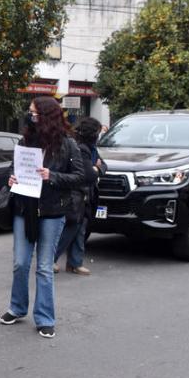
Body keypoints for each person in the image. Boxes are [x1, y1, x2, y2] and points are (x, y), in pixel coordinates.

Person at [0, 96, 86, 339]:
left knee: (45, 267)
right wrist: (11, 178)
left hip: (52, 211)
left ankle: (45, 318)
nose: (31, 117)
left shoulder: (67, 144)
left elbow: (80, 176)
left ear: (47, 117)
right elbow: (13, 168)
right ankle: (17, 308)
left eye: (35, 113)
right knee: (20, 263)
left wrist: (53, 176)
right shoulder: (25, 140)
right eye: (30, 113)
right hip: (24, 209)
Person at [54, 117, 106, 275]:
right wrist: (96, 169)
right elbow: (88, 174)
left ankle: (75, 263)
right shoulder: (81, 148)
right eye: (97, 131)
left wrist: (97, 168)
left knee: (81, 227)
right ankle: (50, 259)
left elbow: (103, 164)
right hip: (76, 193)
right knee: (72, 226)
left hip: (85, 194)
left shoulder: (91, 147)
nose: (99, 134)